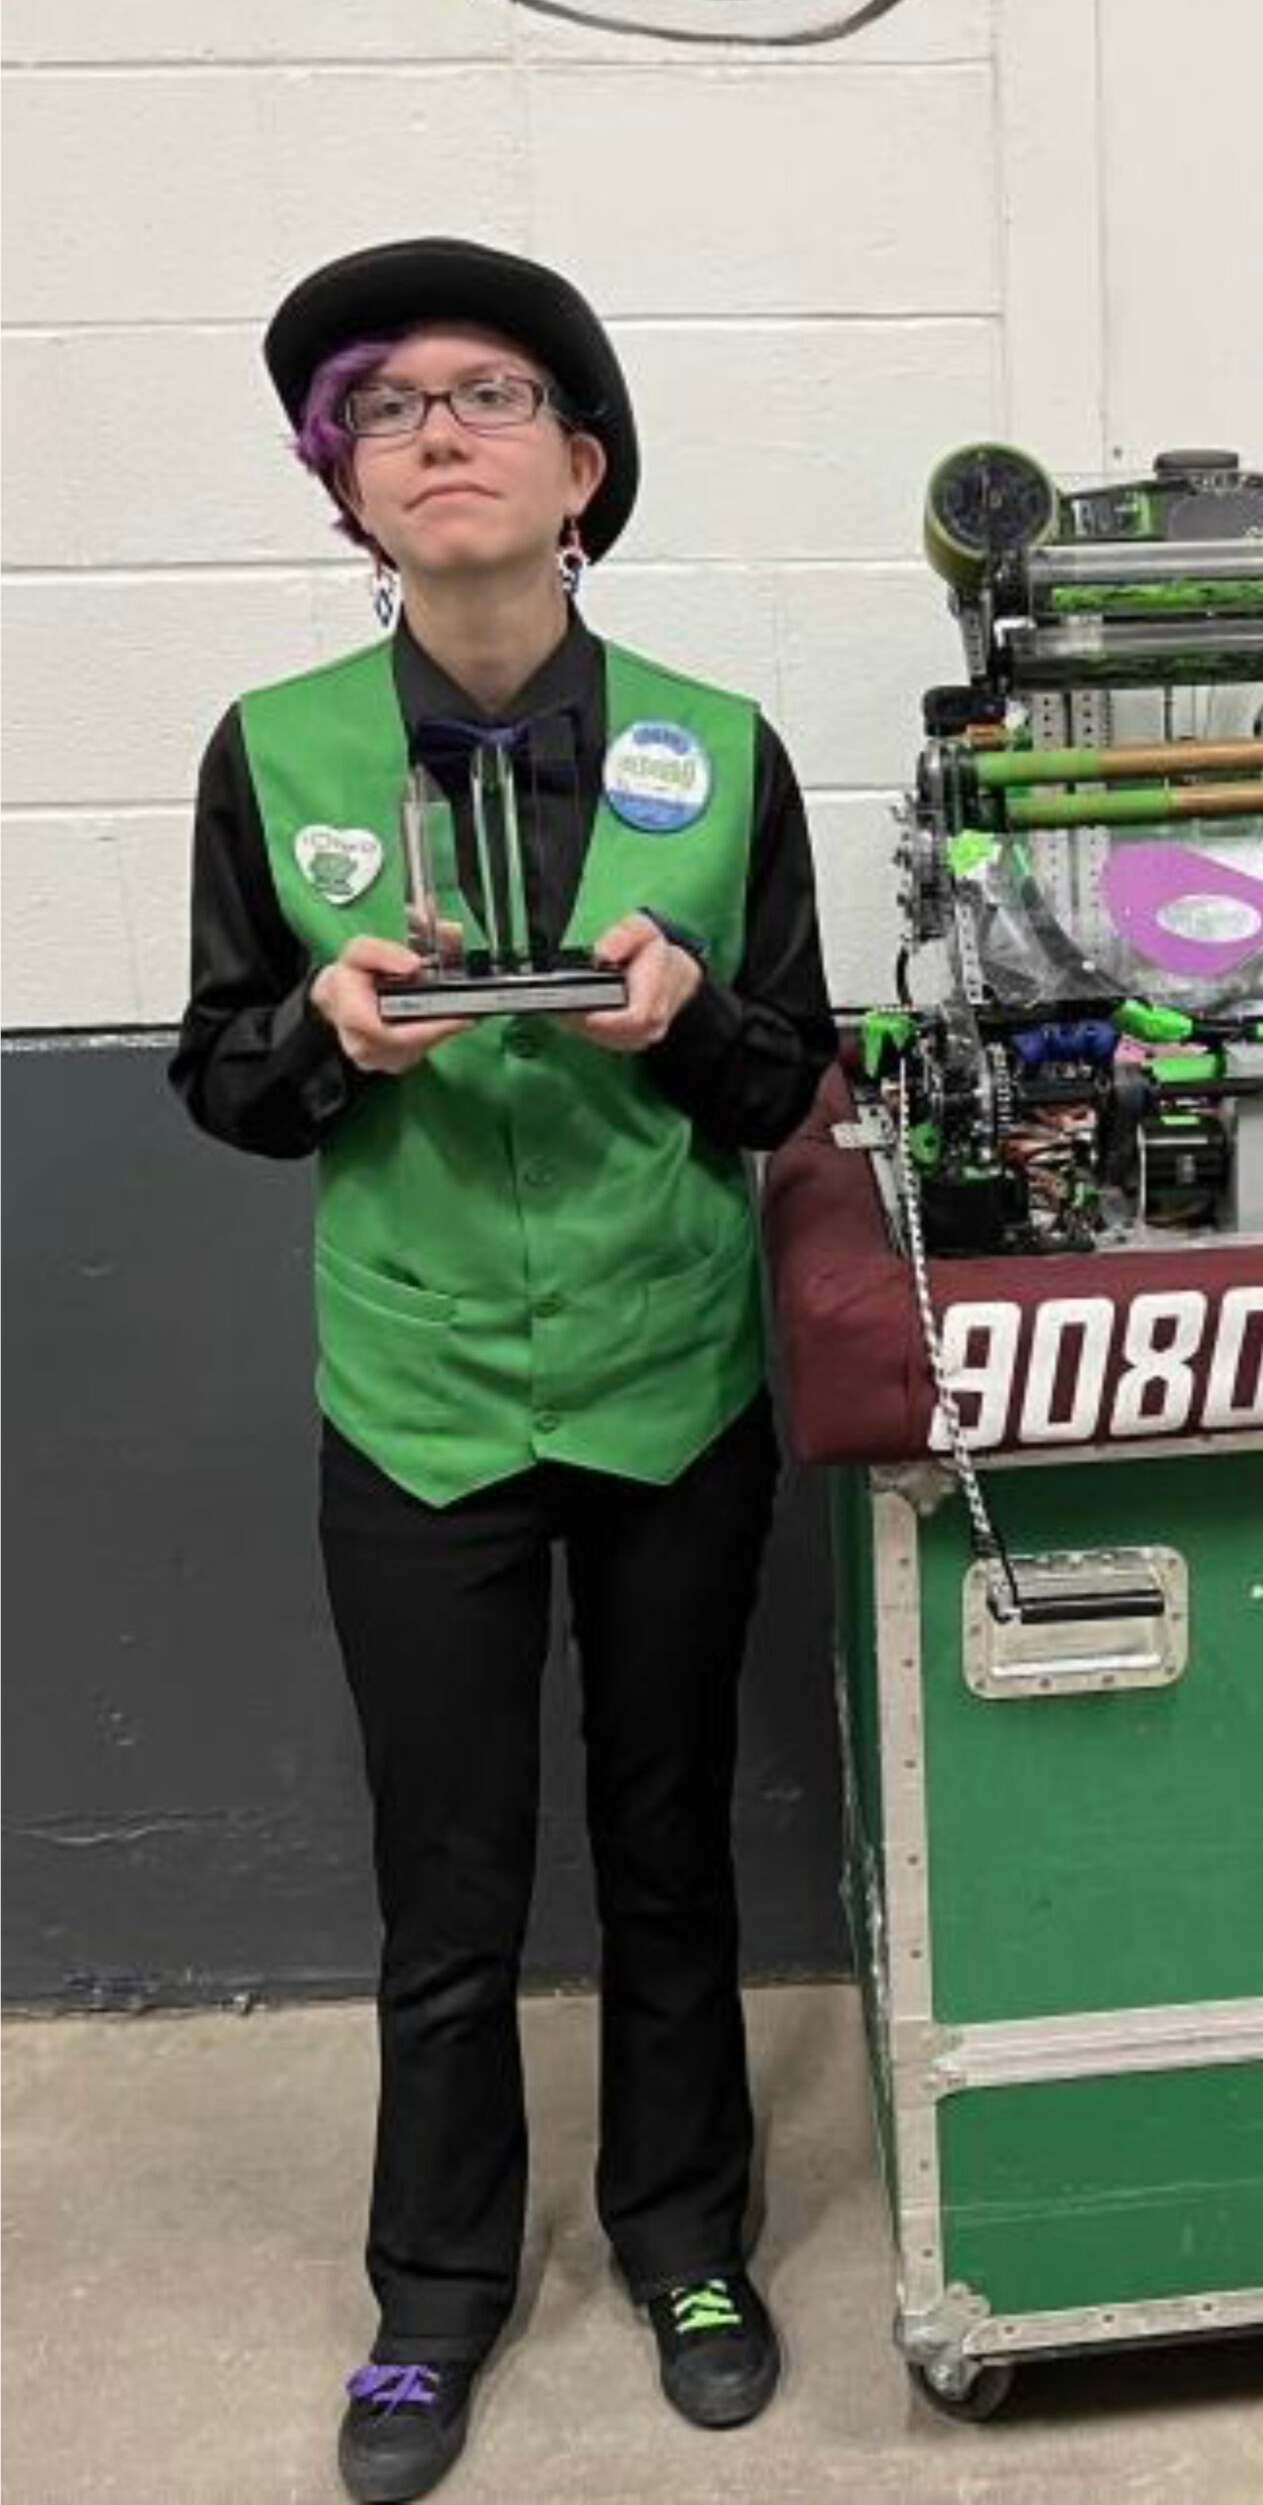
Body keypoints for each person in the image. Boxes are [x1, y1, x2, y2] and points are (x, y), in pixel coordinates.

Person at [170, 237, 836, 2502]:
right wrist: (321, 1034)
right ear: (345, 488)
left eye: (490, 395)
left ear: (584, 471)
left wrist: (695, 1018)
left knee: (668, 1849)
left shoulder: (718, 750)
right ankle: (436, 2297)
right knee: (446, 1885)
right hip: (420, 1400)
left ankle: (687, 2242)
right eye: (384, 407)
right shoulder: (273, 752)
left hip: (671, 1378)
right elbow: (222, 1079)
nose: (435, 431)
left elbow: (790, 1079)